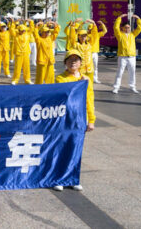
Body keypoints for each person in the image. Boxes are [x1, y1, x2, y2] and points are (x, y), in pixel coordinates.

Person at [52, 50, 94, 192]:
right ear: (65, 63)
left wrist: (91, 119)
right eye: (70, 60)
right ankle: (59, 178)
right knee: (62, 147)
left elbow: (89, 99)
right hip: (64, 118)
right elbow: (65, 94)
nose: (73, 62)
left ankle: (73, 178)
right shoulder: (60, 79)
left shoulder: (86, 79)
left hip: (80, 118)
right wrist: (80, 83)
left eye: (76, 60)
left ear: (81, 63)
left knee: (76, 149)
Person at [112, 14, 141, 94]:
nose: (127, 29)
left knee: (132, 72)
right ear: (122, 28)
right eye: (126, 27)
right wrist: (120, 17)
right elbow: (115, 27)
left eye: (128, 27)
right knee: (120, 72)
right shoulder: (120, 35)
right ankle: (116, 87)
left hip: (132, 57)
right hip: (122, 57)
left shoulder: (133, 35)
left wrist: (138, 18)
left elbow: (140, 28)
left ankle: (132, 86)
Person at [9, 19, 33, 85]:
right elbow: (11, 30)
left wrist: (30, 21)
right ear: (19, 30)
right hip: (18, 53)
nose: (23, 31)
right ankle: (15, 80)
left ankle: (27, 80)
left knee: (26, 68)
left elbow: (31, 28)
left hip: (26, 53)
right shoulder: (16, 35)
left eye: (24, 30)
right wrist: (13, 22)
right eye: (22, 30)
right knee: (17, 68)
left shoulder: (27, 34)